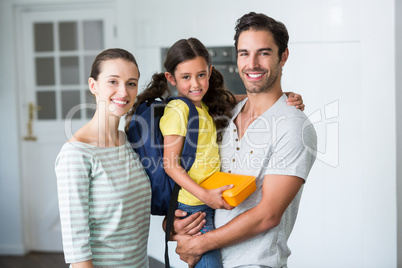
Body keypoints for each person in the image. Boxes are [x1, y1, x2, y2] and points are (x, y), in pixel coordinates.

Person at [173, 12, 317, 268]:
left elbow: (268, 215)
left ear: (283, 56)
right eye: (244, 53)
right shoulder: (224, 116)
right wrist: (178, 223)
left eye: (263, 53)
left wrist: (198, 244)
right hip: (210, 260)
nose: (252, 64)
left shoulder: (293, 126)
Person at [55, 48, 151, 268]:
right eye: (113, 82)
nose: (123, 92)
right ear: (93, 86)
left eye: (131, 83)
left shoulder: (127, 140)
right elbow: (76, 244)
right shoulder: (76, 154)